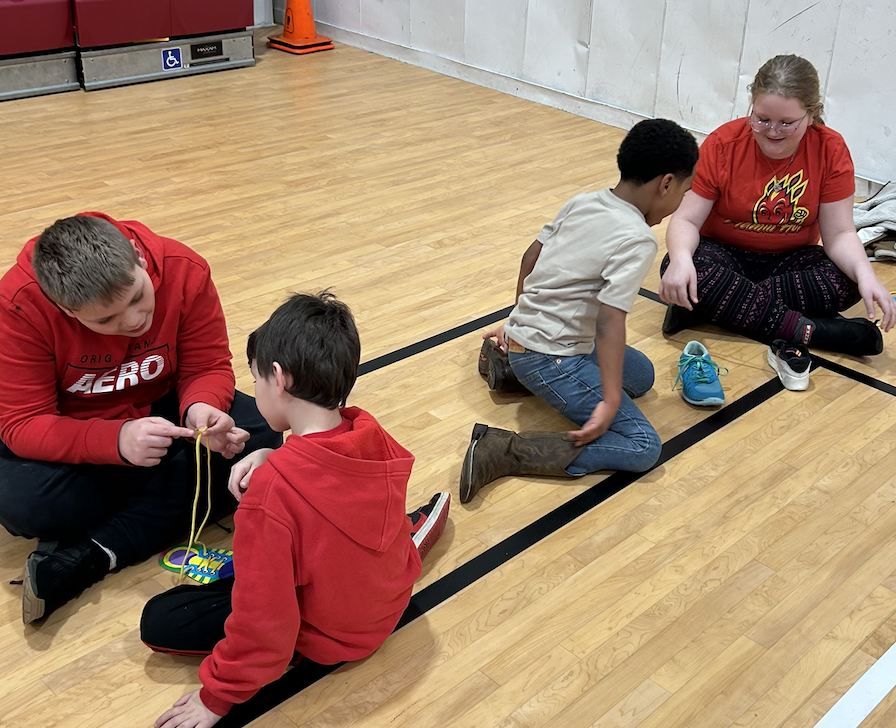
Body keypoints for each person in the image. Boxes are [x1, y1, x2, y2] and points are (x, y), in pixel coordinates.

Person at [142, 291, 451, 728]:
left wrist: (215, 699)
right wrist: (275, 457)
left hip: (329, 639)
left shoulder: (271, 495)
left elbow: (263, 626)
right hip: (385, 607)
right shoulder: (369, 432)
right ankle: (416, 530)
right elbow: (326, 473)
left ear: (278, 378)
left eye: (254, 380)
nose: (254, 392)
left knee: (160, 619)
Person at [0, 213, 282, 624]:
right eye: (104, 320)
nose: (133, 322)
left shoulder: (185, 268)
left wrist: (203, 408)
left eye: (137, 297)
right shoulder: (18, 305)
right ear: (63, 307)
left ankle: (95, 552)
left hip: (165, 411)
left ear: (138, 257)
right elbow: (22, 423)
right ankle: (160, 496)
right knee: (22, 504)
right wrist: (115, 442)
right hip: (75, 425)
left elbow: (208, 363)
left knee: (260, 434)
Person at [460, 119, 700, 504]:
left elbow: (530, 257)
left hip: (550, 340)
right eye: (685, 191)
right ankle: (504, 450)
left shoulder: (584, 201)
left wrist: (519, 318)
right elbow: (609, 320)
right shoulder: (638, 238)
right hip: (550, 357)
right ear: (666, 184)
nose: (679, 205)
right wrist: (607, 401)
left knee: (642, 376)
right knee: (643, 446)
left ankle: (508, 368)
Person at [659, 54, 896, 355]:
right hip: (724, 255)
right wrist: (681, 260)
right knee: (679, 264)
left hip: (788, 262)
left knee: (847, 281)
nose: (772, 131)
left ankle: (710, 306)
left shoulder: (830, 149)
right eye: (761, 119)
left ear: (812, 115)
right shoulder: (722, 144)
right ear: (751, 105)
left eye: (787, 123)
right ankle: (811, 331)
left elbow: (840, 235)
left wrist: (866, 276)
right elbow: (686, 221)